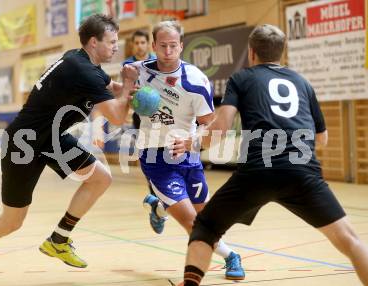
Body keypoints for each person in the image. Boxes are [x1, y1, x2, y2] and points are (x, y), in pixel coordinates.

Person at [0, 14, 138, 286]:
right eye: (112, 41)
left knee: (100, 177)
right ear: (93, 42)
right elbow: (115, 116)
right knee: (11, 221)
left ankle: (59, 238)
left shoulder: (82, 60)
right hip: (23, 143)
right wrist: (127, 87)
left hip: (51, 139)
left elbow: (110, 88)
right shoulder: (83, 71)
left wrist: (133, 89)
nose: (116, 46)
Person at [179, 24, 368, 286]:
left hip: (257, 172)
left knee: (206, 228)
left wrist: (194, 144)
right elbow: (322, 139)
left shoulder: (241, 78)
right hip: (302, 171)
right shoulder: (302, 82)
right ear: (282, 52)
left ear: (251, 52)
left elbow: (220, 128)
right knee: (350, 240)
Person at [131, 21, 245, 280]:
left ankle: (159, 208)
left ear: (181, 46)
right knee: (192, 223)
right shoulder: (139, 70)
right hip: (155, 157)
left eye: (173, 46)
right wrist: (126, 89)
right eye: (163, 46)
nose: (168, 51)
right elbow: (118, 85)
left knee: (206, 221)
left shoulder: (195, 80)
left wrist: (190, 142)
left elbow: (209, 125)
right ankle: (231, 256)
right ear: (153, 46)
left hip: (188, 155)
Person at [121, 30, 164, 232]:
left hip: (163, 115)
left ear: (149, 44)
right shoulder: (128, 66)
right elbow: (125, 92)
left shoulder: (158, 62)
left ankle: (163, 198)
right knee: (147, 157)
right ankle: (155, 198)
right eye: (136, 42)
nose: (139, 46)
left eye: (142, 42)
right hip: (141, 117)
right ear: (133, 45)